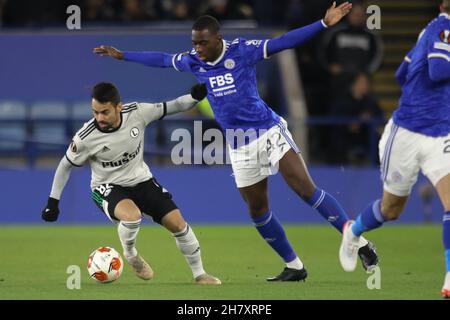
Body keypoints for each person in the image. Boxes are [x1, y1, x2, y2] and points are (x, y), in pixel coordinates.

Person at [93, 2, 379, 282]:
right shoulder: (194, 60)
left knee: (304, 189)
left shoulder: (243, 51)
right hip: (239, 143)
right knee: (257, 210)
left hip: (267, 131)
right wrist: (123, 55)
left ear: (218, 39)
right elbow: (162, 59)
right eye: (195, 43)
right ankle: (294, 266)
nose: (198, 50)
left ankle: (357, 239)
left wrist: (323, 23)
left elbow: (283, 42)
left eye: (203, 43)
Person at [41, 82, 221, 285]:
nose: (99, 118)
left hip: (142, 180)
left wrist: (194, 97)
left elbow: (174, 105)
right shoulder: (86, 137)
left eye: (104, 112)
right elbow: (65, 165)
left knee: (179, 225)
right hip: (106, 187)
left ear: (119, 106)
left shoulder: (137, 113)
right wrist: (53, 202)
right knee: (132, 216)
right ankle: (131, 255)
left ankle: (200, 274)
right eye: (95, 112)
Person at [339, 0, 450, 299]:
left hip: (440, 135)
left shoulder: (428, 32)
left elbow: (402, 74)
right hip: (407, 134)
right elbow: (439, 71)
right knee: (391, 209)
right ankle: (353, 229)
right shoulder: (443, 28)